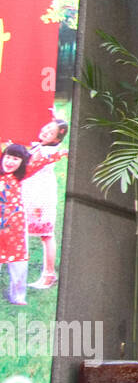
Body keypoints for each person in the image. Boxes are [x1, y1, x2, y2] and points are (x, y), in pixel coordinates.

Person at [1, 141, 67, 306]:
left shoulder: (21, 176)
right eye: (8, 157)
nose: (10, 162)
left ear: (22, 163)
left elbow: (39, 162)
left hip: (15, 230)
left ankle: (18, 296)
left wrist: (60, 154)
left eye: (16, 159)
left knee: (18, 263)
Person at [24, 116, 68, 289]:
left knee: (46, 234)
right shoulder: (39, 145)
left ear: (56, 139)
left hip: (40, 196)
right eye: (46, 128)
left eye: (51, 133)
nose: (45, 132)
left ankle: (49, 274)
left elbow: (29, 169)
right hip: (30, 192)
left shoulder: (49, 151)